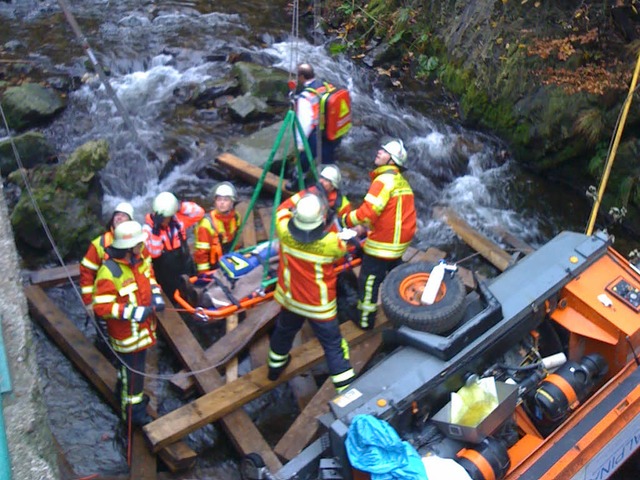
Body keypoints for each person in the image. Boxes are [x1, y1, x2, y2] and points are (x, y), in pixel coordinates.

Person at [267, 193, 356, 393]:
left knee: (283, 332)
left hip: (291, 299)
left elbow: (281, 210)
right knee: (333, 346)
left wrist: (301, 195)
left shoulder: (283, 231)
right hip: (319, 306)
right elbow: (343, 249)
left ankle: (274, 368)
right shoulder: (331, 243)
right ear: (322, 219)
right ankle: (347, 393)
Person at [92, 220, 165, 426]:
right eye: (138, 244)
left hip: (142, 332)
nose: (142, 247)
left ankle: (130, 397)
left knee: (132, 374)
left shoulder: (140, 261)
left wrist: (156, 295)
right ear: (128, 248)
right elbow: (102, 307)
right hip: (127, 337)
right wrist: (132, 311)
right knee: (133, 377)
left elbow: (149, 279)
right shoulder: (110, 272)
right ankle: (131, 415)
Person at [341, 139, 417, 330]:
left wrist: (346, 220)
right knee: (395, 272)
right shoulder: (402, 182)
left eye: (384, 152)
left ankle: (365, 320)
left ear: (392, 161)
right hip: (399, 243)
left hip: (383, 244)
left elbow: (367, 212)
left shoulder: (383, 180)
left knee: (368, 281)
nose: (378, 152)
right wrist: (366, 227)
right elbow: (388, 213)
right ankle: (410, 303)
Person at [79, 202, 134, 333]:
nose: (119, 218)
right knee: (105, 332)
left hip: (128, 296)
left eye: (123, 216)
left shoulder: (135, 241)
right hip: (105, 296)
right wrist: (88, 302)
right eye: (117, 215)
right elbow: (86, 272)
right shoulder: (100, 244)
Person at [143, 191, 204, 299]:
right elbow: (154, 254)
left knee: (192, 293)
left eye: (168, 217)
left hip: (185, 267)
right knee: (173, 297)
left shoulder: (178, 221)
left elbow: (199, 213)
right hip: (166, 276)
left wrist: (179, 206)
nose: (166, 220)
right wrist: (156, 233)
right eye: (164, 218)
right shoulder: (148, 230)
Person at [292, 63, 341, 185]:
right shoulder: (326, 85)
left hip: (316, 134)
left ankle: (298, 181)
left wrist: (300, 143)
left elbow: (305, 122)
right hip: (332, 129)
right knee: (327, 160)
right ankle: (331, 182)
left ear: (302, 77)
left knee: (305, 158)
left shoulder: (306, 96)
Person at [279, 164, 352, 232]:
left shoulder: (342, 204)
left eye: (326, 180)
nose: (321, 181)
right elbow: (284, 207)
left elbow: (346, 224)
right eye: (321, 178)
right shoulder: (309, 192)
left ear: (333, 185)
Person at [194, 181, 242, 274]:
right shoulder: (206, 224)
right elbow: (202, 254)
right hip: (214, 267)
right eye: (219, 199)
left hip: (230, 260)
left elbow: (235, 240)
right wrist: (205, 275)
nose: (222, 203)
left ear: (232, 202)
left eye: (226, 200)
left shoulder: (236, 218)